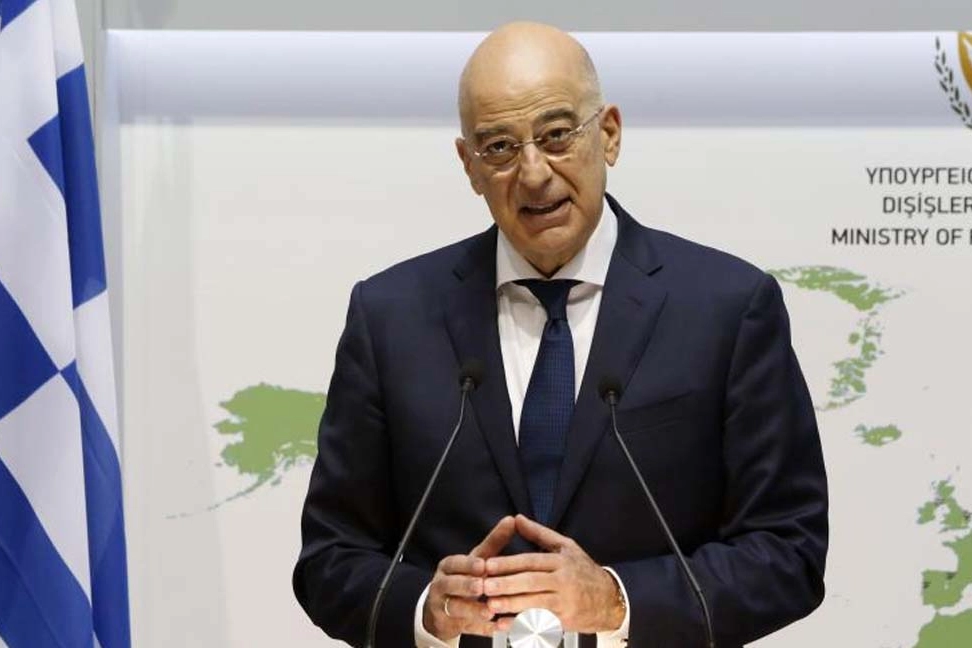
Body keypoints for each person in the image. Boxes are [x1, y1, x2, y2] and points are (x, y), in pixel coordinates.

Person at [293, 22, 828, 648]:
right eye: (499, 147)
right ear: (469, 166)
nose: (533, 173)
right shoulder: (391, 316)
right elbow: (330, 558)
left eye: (556, 136)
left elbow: (789, 549)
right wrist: (425, 611)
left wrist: (618, 600)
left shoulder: (727, 308)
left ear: (609, 134)